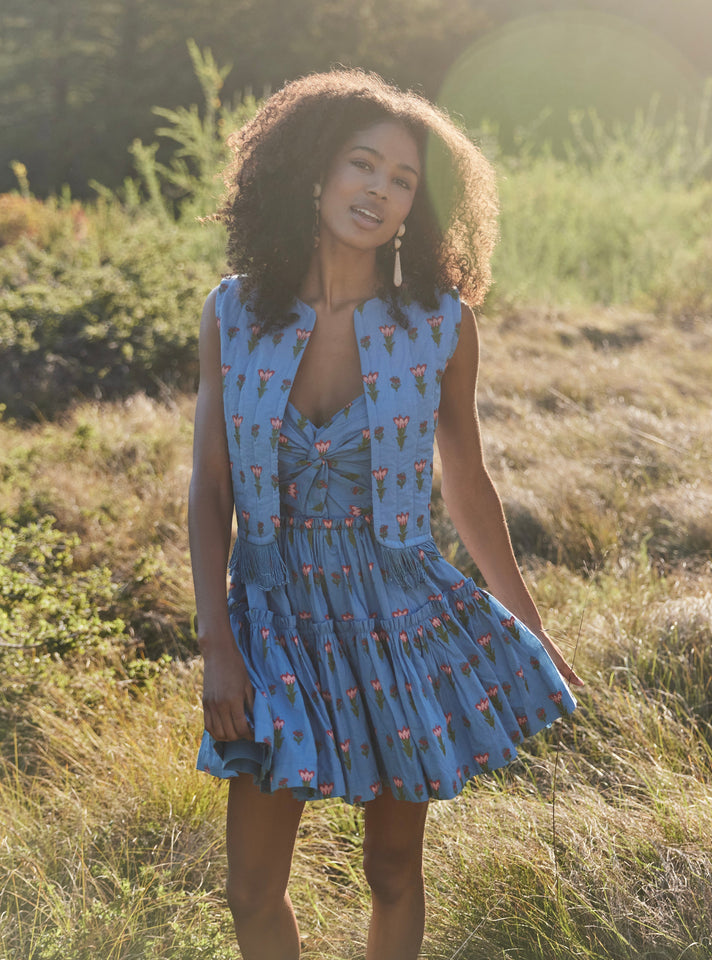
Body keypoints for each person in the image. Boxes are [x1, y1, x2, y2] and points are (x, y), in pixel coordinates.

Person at [188, 68, 583, 960]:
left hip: (395, 611)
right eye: (362, 165)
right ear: (315, 173)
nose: (378, 190)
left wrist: (529, 625)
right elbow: (209, 487)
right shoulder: (234, 314)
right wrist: (218, 641)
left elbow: (469, 484)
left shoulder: (440, 325)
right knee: (250, 890)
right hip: (271, 613)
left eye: (402, 180)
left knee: (395, 872)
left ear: (417, 208)